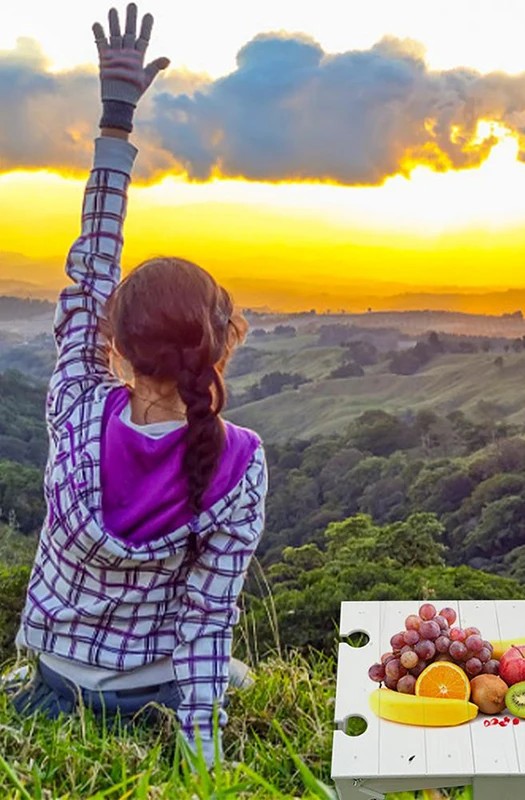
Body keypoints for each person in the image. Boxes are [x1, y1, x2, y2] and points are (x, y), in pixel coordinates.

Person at [11, 3, 268, 768]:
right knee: (235, 672)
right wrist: (202, 758)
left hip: (55, 679)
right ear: (221, 342)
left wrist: (116, 117)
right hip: (146, 690)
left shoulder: (74, 402)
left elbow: (93, 263)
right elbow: (207, 621)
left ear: (114, 345)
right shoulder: (239, 462)